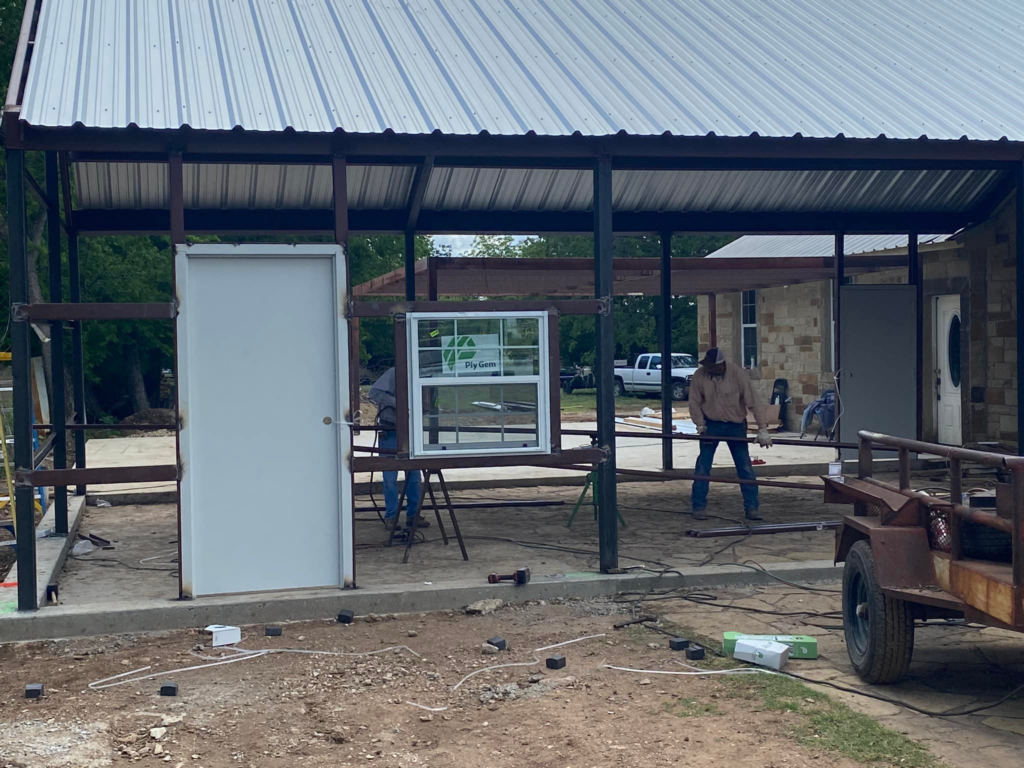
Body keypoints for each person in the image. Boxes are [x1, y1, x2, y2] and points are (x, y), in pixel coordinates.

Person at [688, 348, 773, 521]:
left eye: (712, 366)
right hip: (711, 424)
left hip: (736, 425)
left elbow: (753, 402)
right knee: (703, 466)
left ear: (721, 365)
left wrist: (762, 428)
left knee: (745, 467)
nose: (709, 369)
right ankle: (698, 506)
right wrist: (700, 423)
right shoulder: (699, 375)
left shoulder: (738, 375)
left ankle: (752, 507)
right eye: (707, 366)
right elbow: (694, 402)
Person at [367, 367, 422, 532]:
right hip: (390, 429)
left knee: (414, 476)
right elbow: (374, 393)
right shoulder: (394, 373)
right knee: (390, 477)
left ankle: (413, 515)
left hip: (410, 430)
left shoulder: (420, 373)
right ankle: (391, 517)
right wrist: (398, 403)